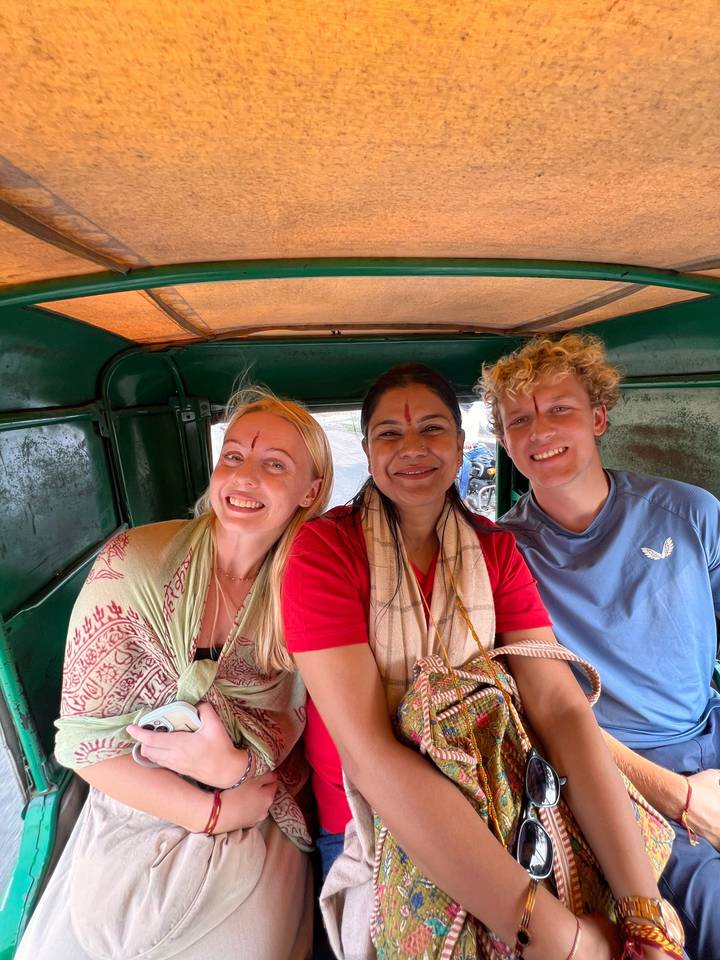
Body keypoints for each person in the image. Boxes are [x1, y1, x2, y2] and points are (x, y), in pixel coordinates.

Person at [282, 363, 678, 960]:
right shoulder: (325, 551)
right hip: (369, 826)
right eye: (389, 434)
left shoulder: (496, 551)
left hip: (506, 800)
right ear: (366, 451)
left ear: (461, 444)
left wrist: (644, 912)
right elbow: (368, 755)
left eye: (432, 429)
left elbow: (559, 706)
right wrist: (558, 937)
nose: (412, 448)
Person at [16, 386, 333, 960]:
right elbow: (84, 746)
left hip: (261, 794)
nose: (244, 477)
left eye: (274, 465)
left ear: (309, 491)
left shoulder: (307, 587)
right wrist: (210, 812)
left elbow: (303, 714)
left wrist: (233, 770)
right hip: (136, 787)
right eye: (233, 456)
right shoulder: (133, 562)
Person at [479, 333, 720, 960]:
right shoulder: (504, 555)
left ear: (599, 418)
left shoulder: (690, 514)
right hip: (620, 774)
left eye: (559, 409)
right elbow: (549, 714)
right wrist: (683, 799)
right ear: (505, 441)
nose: (539, 431)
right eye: (518, 420)